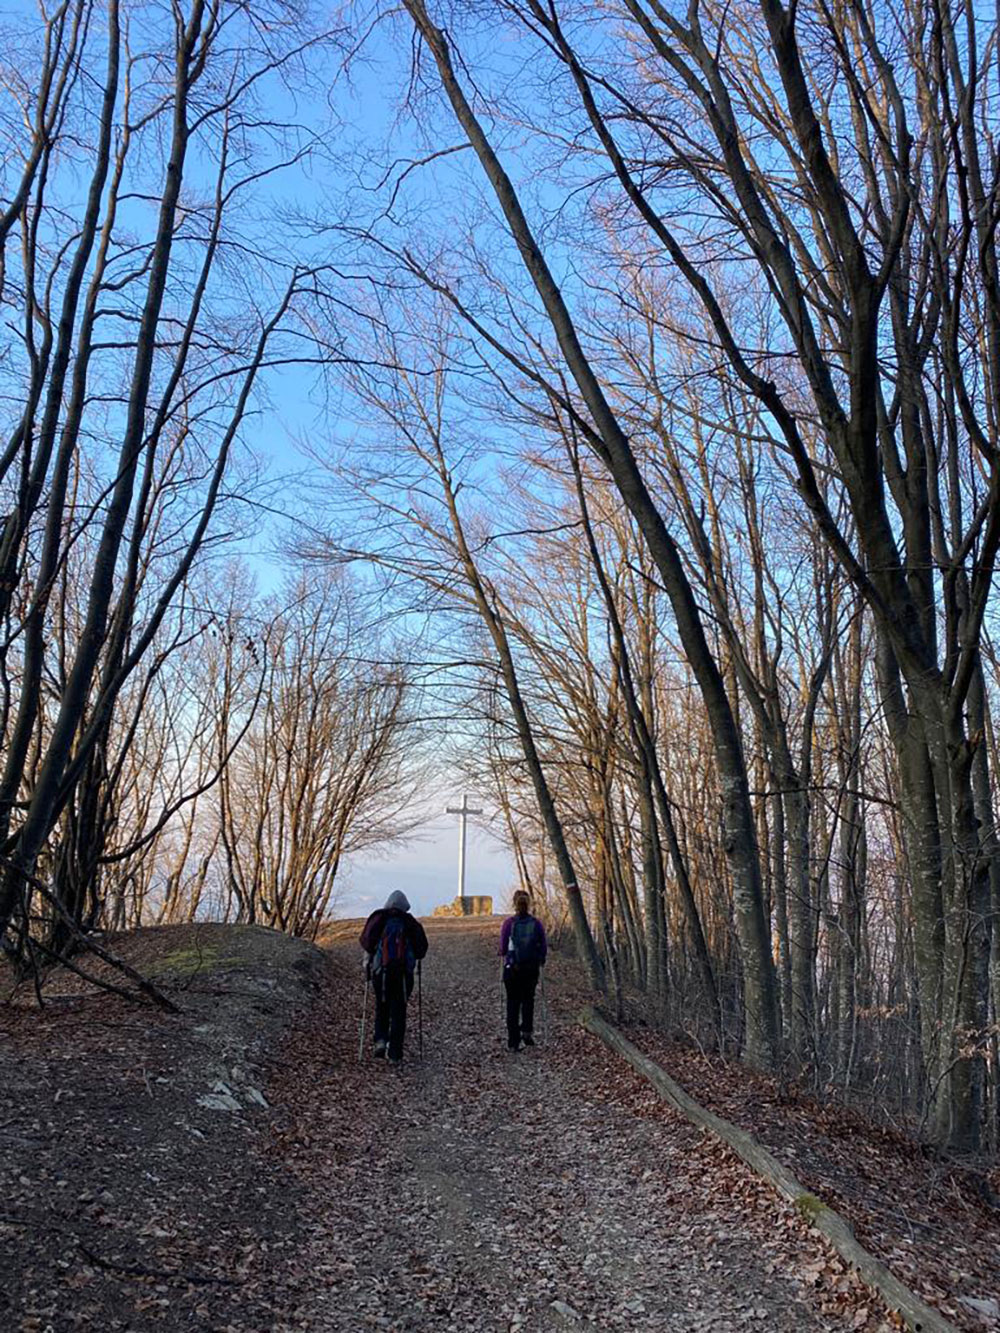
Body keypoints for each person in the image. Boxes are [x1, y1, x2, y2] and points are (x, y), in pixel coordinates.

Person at [360, 890, 429, 1065]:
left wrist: (368, 968)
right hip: (403, 975)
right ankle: (395, 1053)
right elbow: (421, 950)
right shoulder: (410, 923)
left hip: (380, 973)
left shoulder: (379, 919)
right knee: (399, 1011)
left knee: (381, 1006)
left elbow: (367, 943)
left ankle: (380, 1041)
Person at [499, 890, 547, 1051]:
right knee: (528, 1000)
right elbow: (543, 946)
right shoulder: (536, 923)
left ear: (514, 904)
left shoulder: (508, 924)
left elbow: (503, 948)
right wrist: (541, 959)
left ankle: (513, 1042)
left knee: (512, 1003)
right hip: (531, 969)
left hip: (512, 969)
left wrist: (504, 954)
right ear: (529, 904)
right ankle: (526, 1031)